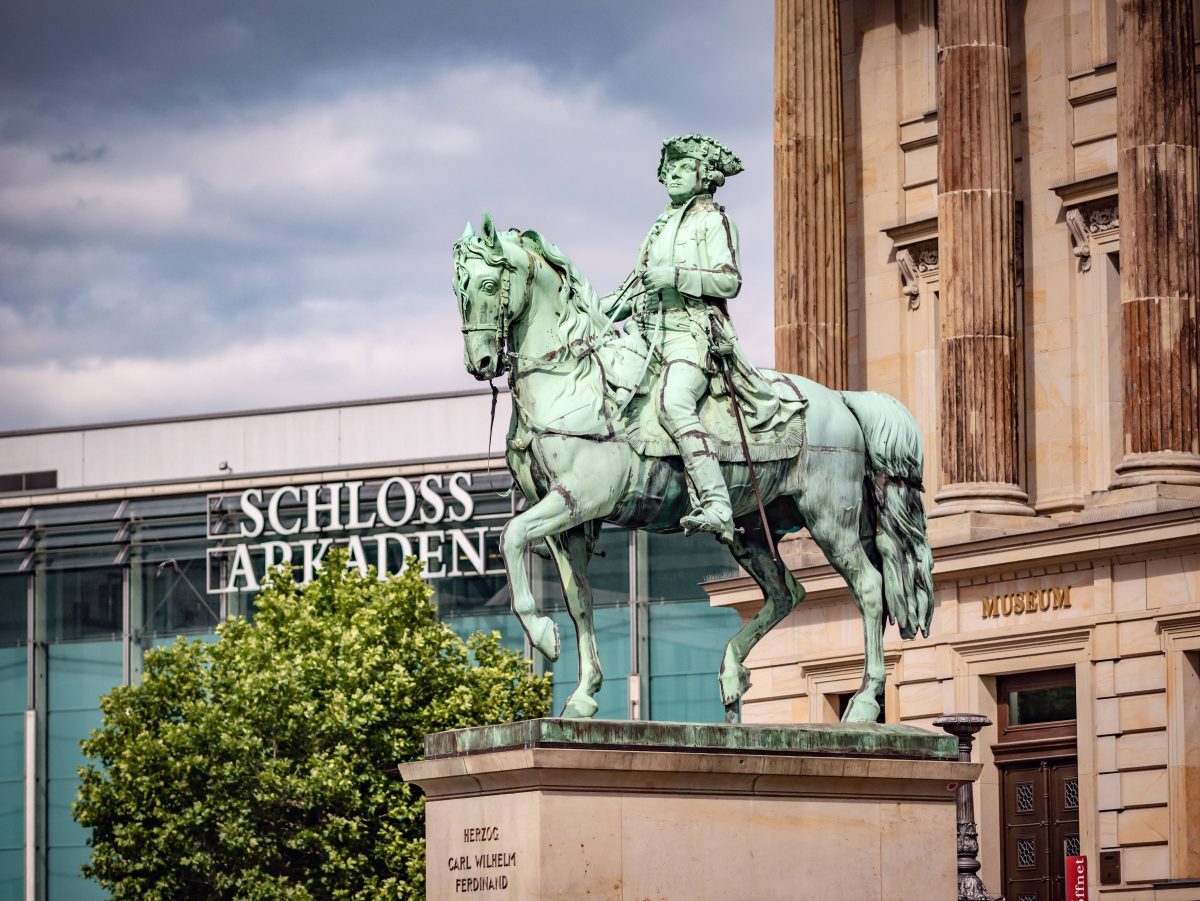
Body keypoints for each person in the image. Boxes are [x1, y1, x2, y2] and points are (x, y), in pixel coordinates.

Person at [601, 134, 786, 543]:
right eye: (668, 170)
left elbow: (729, 281)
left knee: (673, 402)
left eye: (681, 169)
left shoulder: (713, 220)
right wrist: (593, 311)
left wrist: (676, 277)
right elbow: (634, 287)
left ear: (703, 175)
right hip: (648, 333)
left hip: (694, 332)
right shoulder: (659, 226)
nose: (671, 176)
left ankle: (717, 504)